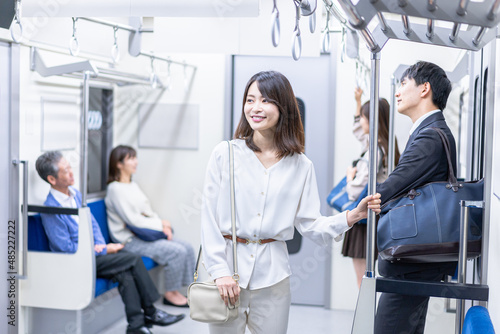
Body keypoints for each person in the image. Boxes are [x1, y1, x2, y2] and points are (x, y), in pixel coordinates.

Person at [200, 70, 381, 334]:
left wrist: (352, 216)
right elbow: (209, 217)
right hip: (226, 276)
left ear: (283, 106)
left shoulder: (301, 165)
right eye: (250, 100)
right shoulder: (224, 153)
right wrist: (219, 272)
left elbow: (310, 223)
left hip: (273, 279)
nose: (255, 108)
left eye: (265, 100)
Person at [35, 151, 185, 334]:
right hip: (76, 262)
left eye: (70, 167)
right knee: (133, 259)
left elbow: (93, 225)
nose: (72, 173)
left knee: (125, 272)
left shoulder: (74, 194)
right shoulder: (50, 209)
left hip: (94, 254)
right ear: (52, 179)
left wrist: (100, 245)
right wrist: (103, 249)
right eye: (65, 170)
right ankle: (151, 312)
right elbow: (65, 248)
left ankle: (136, 326)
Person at [374, 61, 458, 334]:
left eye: (403, 84)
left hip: (412, 263)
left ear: (424, 89)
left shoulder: (430, 137)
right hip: (418, 261)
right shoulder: (430, 131)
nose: (398, 92)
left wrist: (362, 204)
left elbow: (395, 185)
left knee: (390, 326)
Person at [105, 145, 196, 307]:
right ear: (118, 164)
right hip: (130, 241)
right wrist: (161, 224)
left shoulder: (132, 186)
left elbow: (147, 213)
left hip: (145, 235)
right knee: (176, 252)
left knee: (187, 248)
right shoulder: (115, 189)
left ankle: (185, 290)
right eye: (131, 158)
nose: (136, 162)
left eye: (135, 158)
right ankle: (170, 294)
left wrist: (164, 227)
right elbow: (134, 221)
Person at [341, 88, 400, 289]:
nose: (361, 122)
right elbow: (359, 131)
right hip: (377, 219)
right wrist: (358, 102)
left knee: (363, 281)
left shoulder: (374, 151)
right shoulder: (385, 143)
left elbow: (355, 191)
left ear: (372, 120)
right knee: (368, 278)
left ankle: (367, 321)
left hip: (364, 220)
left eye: (364, 117)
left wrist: (350, 178)